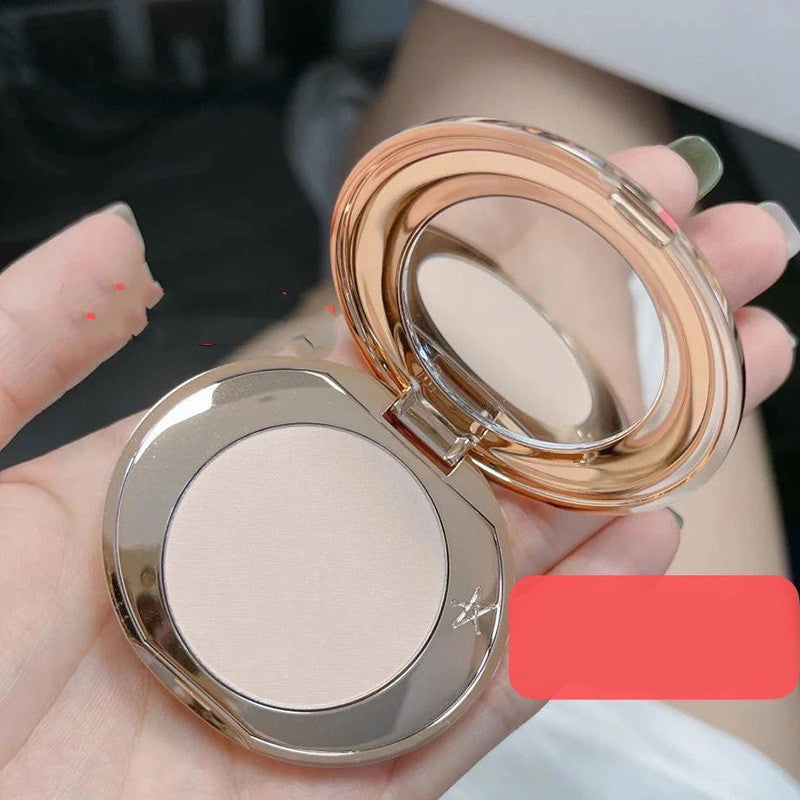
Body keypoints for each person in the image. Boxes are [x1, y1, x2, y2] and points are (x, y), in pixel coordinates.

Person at [0, 4, 797, 798]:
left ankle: (355, 222)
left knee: (526, 64)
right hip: (622, 719)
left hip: (491, 685)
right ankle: (381, 225)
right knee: (755, 638)